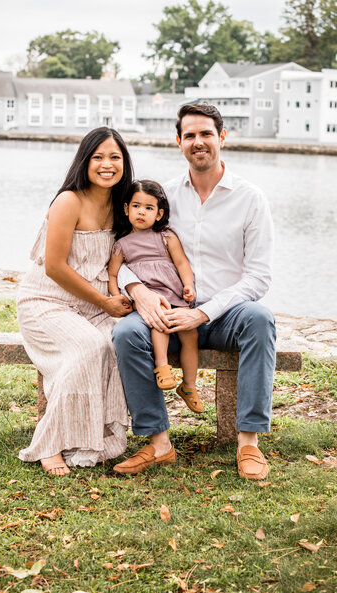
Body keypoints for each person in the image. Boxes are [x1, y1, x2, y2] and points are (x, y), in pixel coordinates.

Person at [112, 103, 276, 479]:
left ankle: (248, 442)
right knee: (125, 333)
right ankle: (158, 442)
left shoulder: (251, 199)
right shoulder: (161, 198)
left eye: (206, 134)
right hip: (167, 310)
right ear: (178, 142)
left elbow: (259, 277)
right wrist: (136, 289)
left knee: (261, 320)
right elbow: (123, 250)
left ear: (221, 137)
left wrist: (203, 312)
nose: (198, 142)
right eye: (190, 135)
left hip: (225, 314)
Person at [16, 127, 134, 476]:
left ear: (124, 162)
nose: (107, 164)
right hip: (46, 302)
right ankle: (49, 444)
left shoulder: (122, 204)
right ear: (85, 161)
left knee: (116, 344)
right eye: (98, 157)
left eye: (115, 157)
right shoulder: (69, 200)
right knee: (87, 347)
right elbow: (54, 267)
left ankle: (97, 434)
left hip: (94, 305)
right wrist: (104, 300)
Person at [108, 179, 202, 414]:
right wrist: (115, 298)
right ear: (126, 209)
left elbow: (181, 263)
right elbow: (112, 274)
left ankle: (189, 385)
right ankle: (163, 368)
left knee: (190, 333)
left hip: (175, 294)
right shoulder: (122, 244)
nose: (142, 212)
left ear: (159, 214)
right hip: (151, 297)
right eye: (137, 206)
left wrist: (189, 285)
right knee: (158, 323)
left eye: (149, 208)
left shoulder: (167, 236)